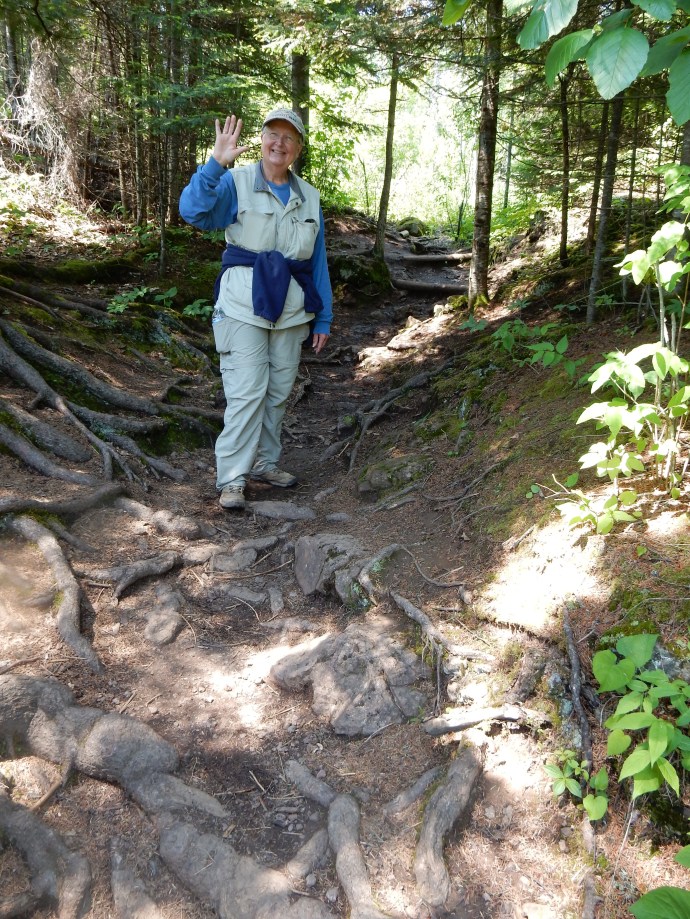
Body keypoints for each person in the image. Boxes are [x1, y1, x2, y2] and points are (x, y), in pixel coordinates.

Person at [179, 109, 333, 510]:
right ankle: (232, 478)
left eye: (289, 137)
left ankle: (265, 463)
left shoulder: (309, 196)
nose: (279, 143)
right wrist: (215, 164)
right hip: (241, 305)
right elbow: (193, 212)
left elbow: (317, 262)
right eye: (272, 135)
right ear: (262, 140)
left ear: (298, 148)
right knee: (247, 393)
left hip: (292, 309)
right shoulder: (235, 182)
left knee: (279, 392)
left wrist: (324, 316)